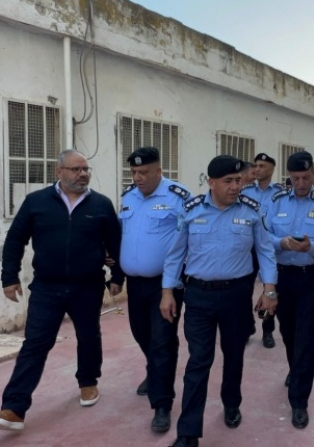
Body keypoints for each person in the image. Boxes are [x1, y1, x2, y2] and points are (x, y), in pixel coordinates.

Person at [0, 150, 124, 431]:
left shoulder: (101, 204)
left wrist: (116, 276)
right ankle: (14, 407)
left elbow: (116, 243)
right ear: (58, 172)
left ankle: (88, 382)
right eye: (75, 169)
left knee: (88, 336)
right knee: (35, 343)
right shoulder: (37, 202)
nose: (82, 174)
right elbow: (15, 240)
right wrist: (8, 277)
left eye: (86, 169)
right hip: (47, 287)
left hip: (87, 286)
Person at [164, 155, 278, 447]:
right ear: (211, 182)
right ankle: (188, 433)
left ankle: (231, 402)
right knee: (199, 361)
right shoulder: (190, 211)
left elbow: (265, 252)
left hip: (237, 296)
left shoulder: (252, 211)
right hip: (199, 295)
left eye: (238, 180)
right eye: (228, 181)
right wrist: (167, 292)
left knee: (234, 354)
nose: (235, 186)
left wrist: (269, 290)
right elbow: (175, 254)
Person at [118, 147, 190, 433]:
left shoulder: (179, 196)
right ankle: (156, 371)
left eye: (144, 172)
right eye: (134, 172)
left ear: (159, 171)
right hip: (135, 284)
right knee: (141, 333)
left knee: (162, 340)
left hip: (167, 283)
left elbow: (187, 242)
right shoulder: (127, 197)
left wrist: (170, 287)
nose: (138, 178)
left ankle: (162, 404)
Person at [265, 151, 314, 429]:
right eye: (296, 178)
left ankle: (299, 400)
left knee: (306, 336)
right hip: (283, 276)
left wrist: (312, 246)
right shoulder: (277, 201)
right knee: (289, 332)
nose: (301, 183)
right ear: (289, 177)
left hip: (312, 276)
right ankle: (296, 370)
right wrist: (281, 243)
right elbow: (265, 236)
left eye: (306, 177)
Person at [240, 152, 284, 348]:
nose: (257, 169)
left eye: (262, 166)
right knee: (244, 290)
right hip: (248, 249)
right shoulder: (247, 191)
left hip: (270, 249)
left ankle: (268, 331)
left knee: (270, 289)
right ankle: (247, 327)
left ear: (272, 169)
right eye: (255, 166)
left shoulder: (281, 193)